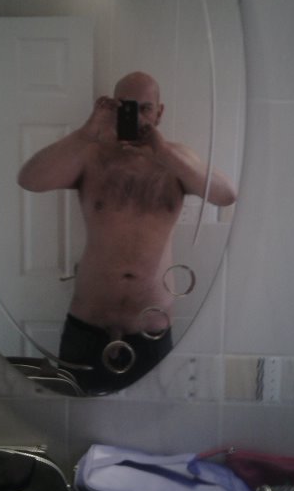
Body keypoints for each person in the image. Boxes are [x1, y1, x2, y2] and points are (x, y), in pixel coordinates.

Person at [17, 71, 236, 393]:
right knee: (76, 417)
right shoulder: (91, 156)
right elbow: (29, 179)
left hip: (151, 329)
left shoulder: (176, 160)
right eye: (126, 107)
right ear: (112, 108)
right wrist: (87, 132)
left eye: (146, 109)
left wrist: (163, 152)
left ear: (160, 112)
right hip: (87, 325)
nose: (138, 118)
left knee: (153, 423)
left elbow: (226, 194)